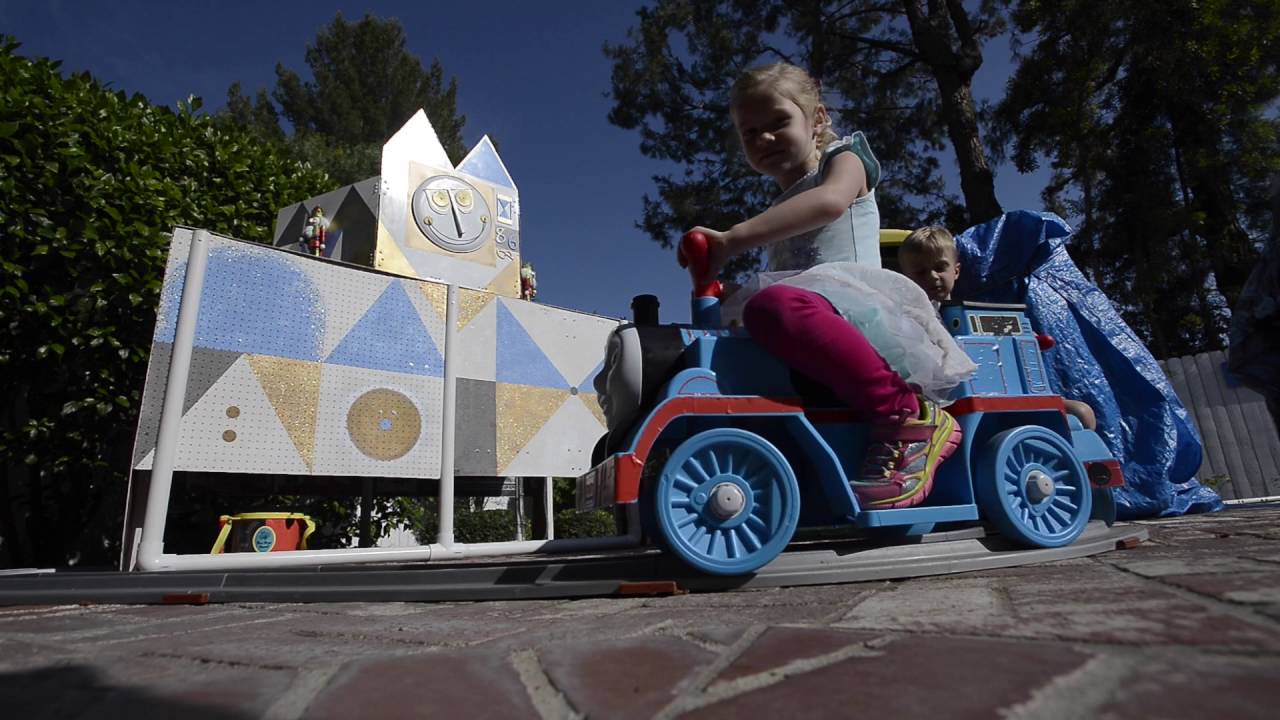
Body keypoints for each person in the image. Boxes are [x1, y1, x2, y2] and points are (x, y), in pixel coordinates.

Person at [680, 62, 975, 509]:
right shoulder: (779, 205)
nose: (764, 139)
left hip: (857, 312)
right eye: (750, 132)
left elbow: (831, 203)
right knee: (744, 330)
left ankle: (906, 415)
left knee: (772, 307)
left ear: (816, 119)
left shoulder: (845, 160)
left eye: (779, 122)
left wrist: (733, 238)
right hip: (814, 316)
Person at [898, 225, 1098, 430]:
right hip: (946, 398)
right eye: (921, 272)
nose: (932, 276)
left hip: (1005, 392)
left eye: (940, 267)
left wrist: (1024, 335)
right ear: (906, 278)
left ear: (956, 270)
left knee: (1082, 411)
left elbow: (1005, 334)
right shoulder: (911, 318)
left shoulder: (973, 313)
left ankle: (1086, 459)